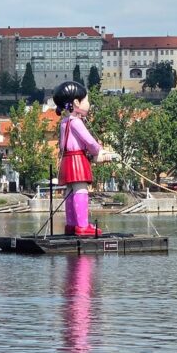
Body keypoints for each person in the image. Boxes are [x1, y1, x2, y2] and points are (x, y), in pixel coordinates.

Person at [54, 80, 106, 237]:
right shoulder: (76, 122)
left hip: (67, 159)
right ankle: (83, 226)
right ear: (77, 102)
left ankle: (71, 225)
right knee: (81, 189)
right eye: (87, 101)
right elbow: (89, 141)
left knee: (69, 191)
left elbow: (62, 145)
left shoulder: (64, 122)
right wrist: (98, 150)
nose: (88, 104)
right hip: (77, 159)